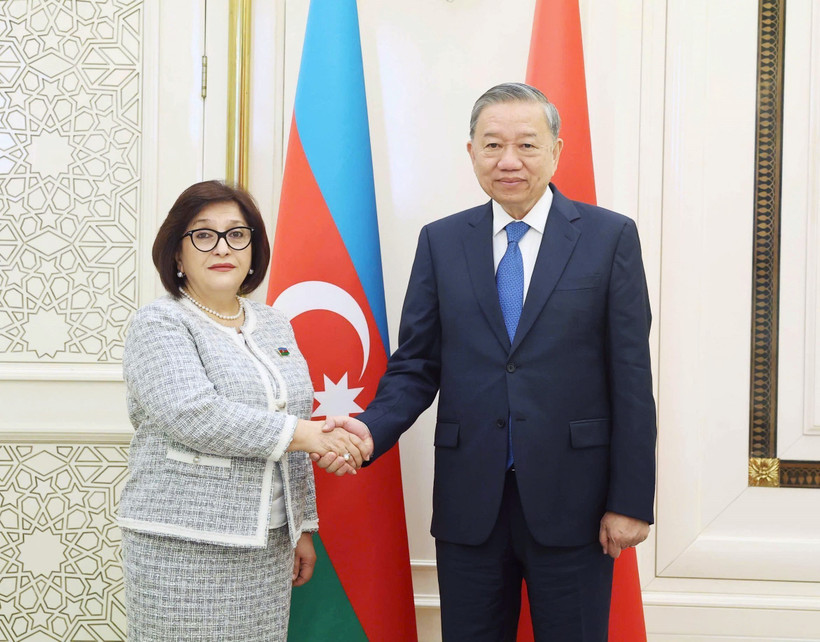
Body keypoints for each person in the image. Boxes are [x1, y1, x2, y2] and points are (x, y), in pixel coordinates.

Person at [321, 83, 657, 640]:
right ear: (471, 152)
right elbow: (416, 365)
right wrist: (365, 429)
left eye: (527, 145)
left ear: (556, 151)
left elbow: (631, 377)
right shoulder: (442, 241)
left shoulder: (609, 237)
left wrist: (631, 500)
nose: (508, 161)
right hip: (469, 503)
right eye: (492, 144)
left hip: (576, 501)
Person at [118, 180, 364, 641]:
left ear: (253, 249)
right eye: (203, 235)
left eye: (237, 234)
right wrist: (309, 435)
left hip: (267, 544)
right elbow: (193, 414)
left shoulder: (272, 323)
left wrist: (301, 527)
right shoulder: (159, 322)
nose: (222, 247)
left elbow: (293, 417)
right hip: (181, 546)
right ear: (177, 253)